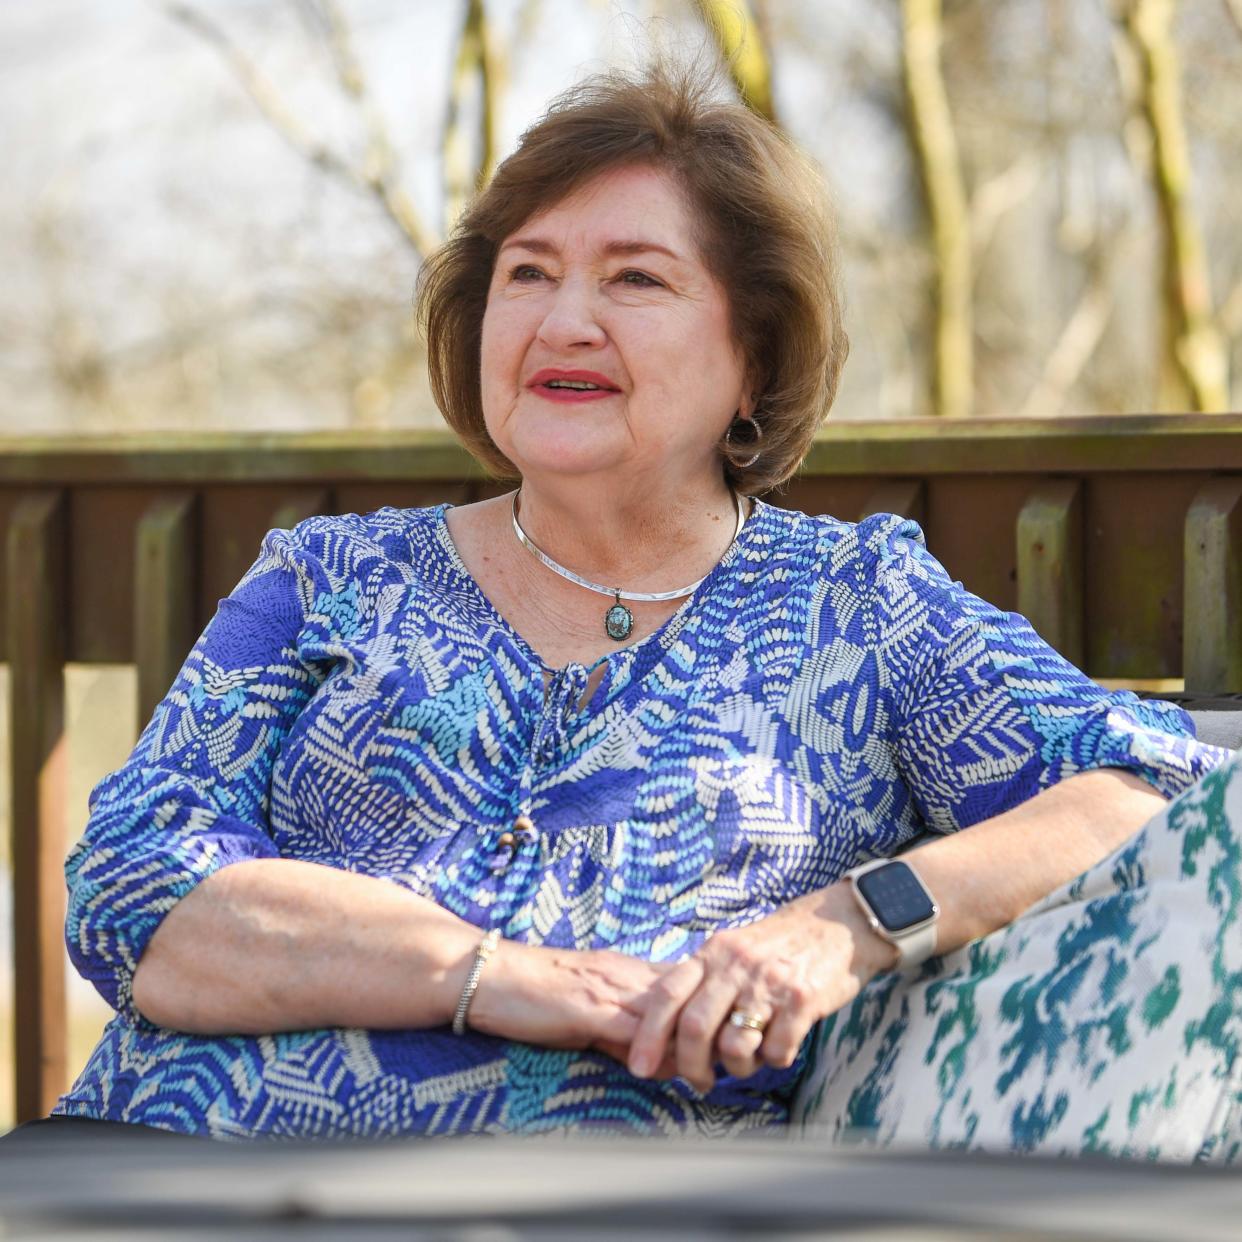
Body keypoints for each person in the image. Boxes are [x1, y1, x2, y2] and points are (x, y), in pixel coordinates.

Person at [45, 63, 1227, 1143]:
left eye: (636, 278)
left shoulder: (858, 606)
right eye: (528, 274)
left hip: (604, 1201)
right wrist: (488, 973)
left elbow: (1143, 783)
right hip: (165, 1158)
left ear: (754, 356)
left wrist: (846, 927)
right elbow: (129, 887)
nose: (564, 321)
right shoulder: (326, 580)